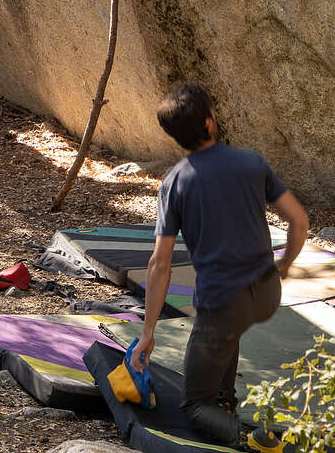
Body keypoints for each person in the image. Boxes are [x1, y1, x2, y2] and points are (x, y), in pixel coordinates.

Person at [131, 83, 309, 447]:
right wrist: (285, 266)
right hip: (266, 292)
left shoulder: (175, 182)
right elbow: (299, 222)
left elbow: (160, 264)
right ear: (211, 123)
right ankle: (225, 399)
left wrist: (148, 333)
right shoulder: (252, 163)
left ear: (174, 138)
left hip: (224, 303)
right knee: (228, 331)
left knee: (195, 405)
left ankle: (252, 441)